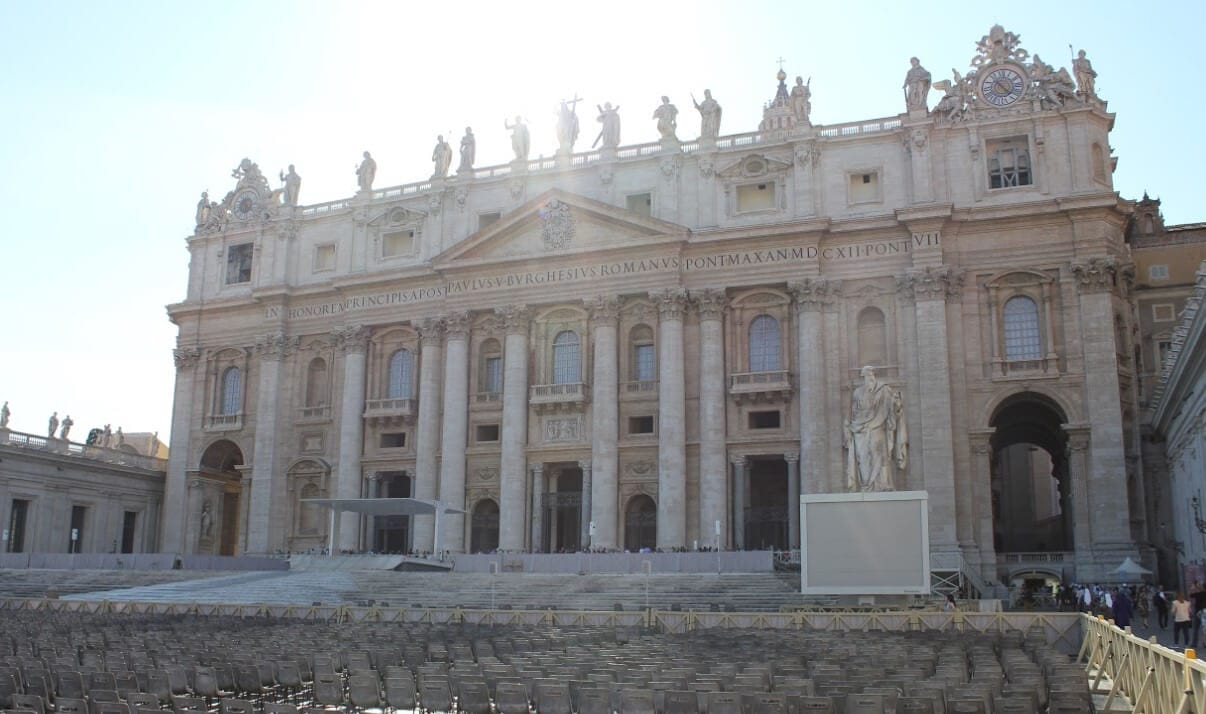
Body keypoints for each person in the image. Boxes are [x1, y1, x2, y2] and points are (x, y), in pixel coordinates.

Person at [845, 366, 908, 492]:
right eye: (866, 375)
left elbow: (892, 407)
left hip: (878, 427)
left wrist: (896, 404)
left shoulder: (883, 389)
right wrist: (852, 425)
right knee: (862, 458)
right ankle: (866, 485)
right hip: (860, 430)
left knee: (879, 455)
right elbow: (854, 412)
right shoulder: (857, 393)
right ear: (863, 377)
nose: (869, 377)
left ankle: (882, 485)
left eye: (871, 374)